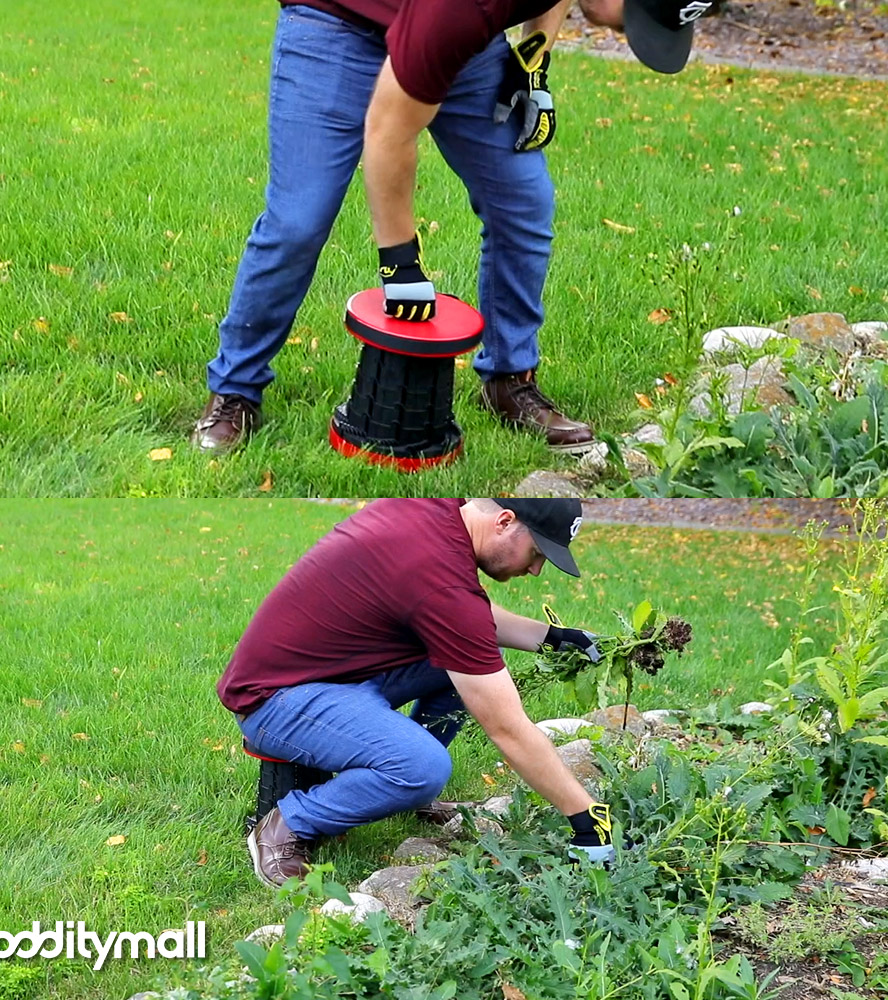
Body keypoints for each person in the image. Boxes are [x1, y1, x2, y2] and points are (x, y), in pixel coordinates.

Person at [192, 0, 711, 454]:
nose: (624, 31)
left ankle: (510, 380)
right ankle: (235, 389)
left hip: (464, 45)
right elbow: (389, 130)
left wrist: (533, 61)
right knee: (298, 222)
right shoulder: (461, 9)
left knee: (522, 203)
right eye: (635, 14)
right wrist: (400, 263)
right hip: (339, 27)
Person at [217, 498, 623, 888]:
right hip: (274, 701)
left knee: (472, 655)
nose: (535, 570)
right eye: (536, 553)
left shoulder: (437, 513)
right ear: (504, 522)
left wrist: (550, 636)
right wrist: (584, 816)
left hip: (335, 674)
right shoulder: (438, 576)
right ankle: (288, 823)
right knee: (423, 768)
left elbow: (466, 618)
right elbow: (508, 729)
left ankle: (401, 787)